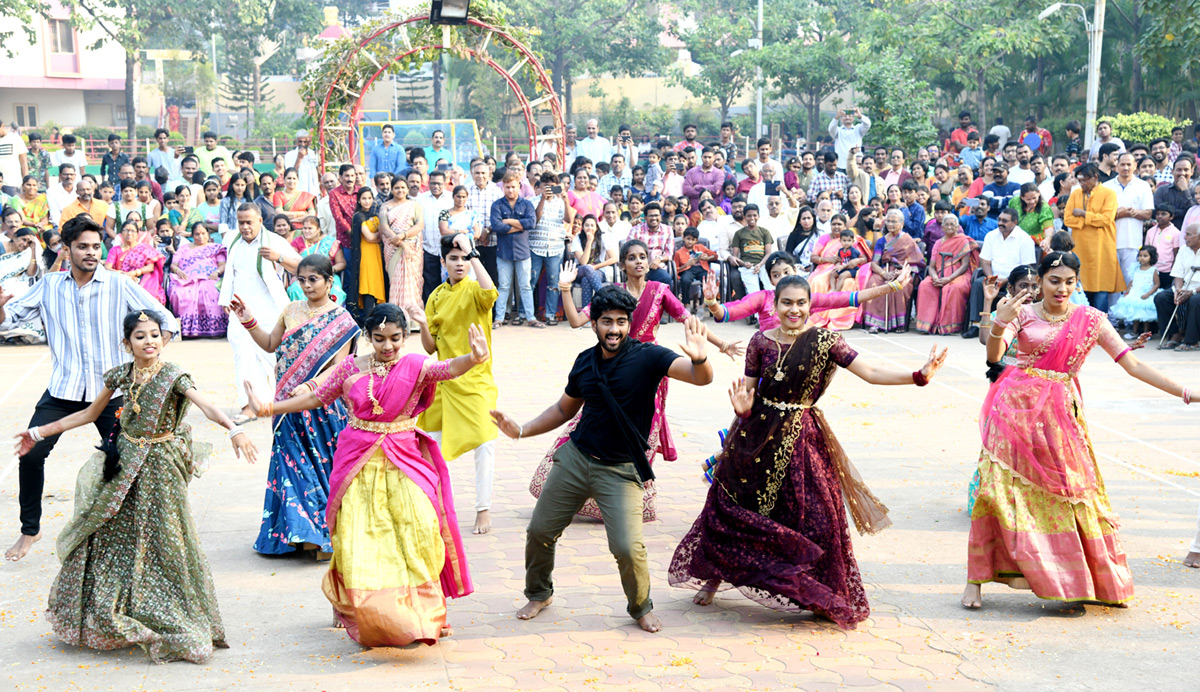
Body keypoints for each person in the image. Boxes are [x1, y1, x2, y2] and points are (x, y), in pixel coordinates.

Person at [670, 274, 947, 627]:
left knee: (818, 515)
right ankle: (715, 577)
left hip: (804, 435)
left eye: (802, 303)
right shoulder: (760, 341)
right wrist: (742, 411)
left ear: (810, 305)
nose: (795, 309)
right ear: (775, 305)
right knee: (735, 507)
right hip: (755, 433)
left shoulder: (825, 341)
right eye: (787, 303)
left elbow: (871, 371)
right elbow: (749, 393)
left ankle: (815, 589)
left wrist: (918, 376)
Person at [13, 309, 256, 661]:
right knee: (106, 531)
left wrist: (235, 429)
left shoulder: (174, 376)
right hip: (124, 462)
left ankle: (172, 612)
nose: (150, 341)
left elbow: (206, 405)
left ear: (164, 338)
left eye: (155, 334)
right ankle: (111, 609)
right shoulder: (121, 376)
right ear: (126, 344)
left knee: (166, 538)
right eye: (140, 337)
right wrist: (38, 432)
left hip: (161, 466)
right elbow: (88, 415)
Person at [963, 252, 1196, 610]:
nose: (1062, 288)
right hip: (1014, 411)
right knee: (996, 493)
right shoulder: (1022, 313)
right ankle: (974, 582)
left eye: (1070, 281)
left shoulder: (1091, 319)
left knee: (1070, 491)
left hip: (1061, 417)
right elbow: (995, 356)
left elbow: (1131, 365)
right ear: (1040, 280)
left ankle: (1075, 579)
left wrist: (1184, 392)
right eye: (1054, 280)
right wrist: (998, 323)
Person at [245, 304, 487, 646]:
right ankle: (359, 610)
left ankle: (425, 612)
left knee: (418, 532)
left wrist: (473, 359)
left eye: (395, 339)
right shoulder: (350, 368)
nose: (388, 347)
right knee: (358, 538)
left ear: (406, 336)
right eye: (379, 339)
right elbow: (316, 397)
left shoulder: (415, 366)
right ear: (368, 337)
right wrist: (270, 407)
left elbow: (447, 368)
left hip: (404, 459)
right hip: (358, 461)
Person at [491, 288, 714, 633]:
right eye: (606, 321)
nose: (614, 329)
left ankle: (640, 607)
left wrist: (701, 359)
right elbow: (563, 409)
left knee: (627, 547)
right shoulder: (584, 361)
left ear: (629, 324)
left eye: (621, 322)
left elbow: (701, 378)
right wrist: (520, 429)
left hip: (621, 470)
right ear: (593, 324)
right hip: (576, 460)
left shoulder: (649, 357)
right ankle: (539, 592)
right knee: (539, 530)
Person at [0, 217, 180, 562]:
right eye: (82, 246)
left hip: (110, 394)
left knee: (128, 463)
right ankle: (30, 530)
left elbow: (164, 319)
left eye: (96, 246)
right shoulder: (50, 285)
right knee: (31, 454)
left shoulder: (118, 284)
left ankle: (145, 535)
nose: (91, 253)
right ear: (65, 250)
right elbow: (9, 320)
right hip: (62, 390)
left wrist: (149, 367)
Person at [535, 243, 739, 523]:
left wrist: (722, 344)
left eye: (642, 257)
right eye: (631, 258)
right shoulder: (613, 295)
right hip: (612, 367)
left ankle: (633, 495)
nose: (638, 262)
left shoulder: (660, 291)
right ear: (623, 265)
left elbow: (690, 322)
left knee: (641, 432)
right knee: (600, 423)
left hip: (649, 369)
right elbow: (574, 321)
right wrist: (565, 289)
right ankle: (588, 491)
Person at [228, 255, 360, 557]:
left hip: (322, 406)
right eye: (302, 280)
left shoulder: (341, 320)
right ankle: (300, 532)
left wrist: (312, 384)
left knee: (320, 467)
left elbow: (340, 367)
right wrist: (248, 319)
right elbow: (271, 343)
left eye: (314, 279)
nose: (307, 285)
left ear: (329, 281)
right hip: (288, 404)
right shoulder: (290, 310)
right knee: (291, 466)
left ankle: (322, 533)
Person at [416, 234, 500, 535]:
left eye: (463, 259)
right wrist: (424, 325)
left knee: (485, 442)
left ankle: (483, 508)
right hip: (442, 381)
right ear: (443, 262)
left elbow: (491, 293)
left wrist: (473, 252)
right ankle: (434, 506)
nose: (459, 263)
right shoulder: (436, 296)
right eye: (453, 258)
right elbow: (429, 348)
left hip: (475, 380)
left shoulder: (477, 290)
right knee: (429, 446)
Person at [218, 203, 301, 424]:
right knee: (242, 356)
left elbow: (303, 266)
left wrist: (279, 257)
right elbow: (229, 272)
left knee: (272, 356)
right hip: (241, 310)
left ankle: (279, 401)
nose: (245, 227)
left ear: (260, 221)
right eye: (241, 222)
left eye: (249, 222)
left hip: (270, 309)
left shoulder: (274, 241)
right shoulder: (233, 242)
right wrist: (225, 299)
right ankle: (248, 406)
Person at [1064, 163, 1123, 310]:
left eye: (1084, 180)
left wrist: (1083, 214)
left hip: (1102, 247)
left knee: (1101, 288)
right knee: (1081, 286)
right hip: (1080, 247)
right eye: (1079, 181)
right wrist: (1092, 221)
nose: (1081, 184)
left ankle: (1099, 327)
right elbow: (1067, 219)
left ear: (1095, 177)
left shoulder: (1109, 194)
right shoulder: (1075, 194)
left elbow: (1106, 219)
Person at [862, 209, 925, 333]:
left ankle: (898, 324)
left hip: (902, 271)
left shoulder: (908, 240)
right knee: (873, 283)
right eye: (888, 221)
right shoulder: (881, 241)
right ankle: (875, 323)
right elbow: (874, 263)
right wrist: (884, 274)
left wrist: (901, 272)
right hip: (883, 270)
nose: (890, 224)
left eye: (894, 222)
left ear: (902, 224)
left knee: (899, 285)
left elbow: (919, 263)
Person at [490, 171, 537, 328]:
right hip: (503, 252)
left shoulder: (527, 204)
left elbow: (531, 223)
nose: (510, 190)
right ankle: (499, 318)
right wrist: (519, 226)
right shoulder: (497, 205)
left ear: (520, 187)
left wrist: (509, 221)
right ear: (503, 187)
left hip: (523, 252)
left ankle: (531, 317)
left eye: (513, 187)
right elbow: (497, 226)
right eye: (507, 187)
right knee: (503, 286)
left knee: (525, 286)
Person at [1103, 152, 1156, 292]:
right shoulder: (1106, 186)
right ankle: (1112, 313)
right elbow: (1101, 215)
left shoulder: (1143, 186)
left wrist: (1133, 212)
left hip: (1133, 241)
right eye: (1122, 164)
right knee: (1111, 280)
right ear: (1117, 166)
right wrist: (1117, 213)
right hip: (1109, 241)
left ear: (1135, 166)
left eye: (1129, 164)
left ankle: (1127, 312)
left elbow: (1148, 213)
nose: (1125, 168)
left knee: (1130, 279)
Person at [915, 215, 976, 334]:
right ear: (942, 227)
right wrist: (935, 277)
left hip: (959, 275)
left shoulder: (963, 241)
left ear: (958, 227)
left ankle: (950, 326)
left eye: (952, 224)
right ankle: (929, 324)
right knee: (925, 285)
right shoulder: (938, 243)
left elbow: (964, 266)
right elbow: (931, 266)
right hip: (939, 274)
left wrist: (949, 278)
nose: (949, 227)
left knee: (953, 288)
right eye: (946, 224)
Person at [806, 222, 873, 331]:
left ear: (852, 240)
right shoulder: (839, 249)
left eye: (839, 224)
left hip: (851, 270)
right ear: (841, 241)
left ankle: (836, 295)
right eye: (834, 224)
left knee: (845, 280)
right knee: (829, 276)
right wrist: (836, 266)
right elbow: (836, 260)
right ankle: (831, 290)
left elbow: (864, 258)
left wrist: (856, 261)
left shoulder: (854, 249)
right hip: (832, 268)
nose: (836, 227)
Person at [377, 175, 425, 322]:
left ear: (407, 189)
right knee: (396, 282)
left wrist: (404, 235)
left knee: (413, 283)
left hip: (413, 249)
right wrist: (401, 242)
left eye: (403, 187)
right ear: (392, 189)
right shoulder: (385, 206)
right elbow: (384, 228)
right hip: (394, 249)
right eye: (397, 187)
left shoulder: (414, 205)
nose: (400, 190)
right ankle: (396, 319)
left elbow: (419, 225)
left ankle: (414, 321)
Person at [168, 222, 227, 338]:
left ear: (208, 234)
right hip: (187, 278)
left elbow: (223, 264)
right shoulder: (184, 249)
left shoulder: (215, 248)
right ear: (192, 235)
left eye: (203, 233)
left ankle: (214, 328)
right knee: (178, 292)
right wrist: (178, 271)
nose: (200, 237)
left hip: (210, 277)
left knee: (213, 291)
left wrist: (217, 272)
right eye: (197, 234)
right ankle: (187, 330)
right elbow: (173, 265)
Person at [1154, 223, 1200, 351]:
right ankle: (1174, 335)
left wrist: (1192, 291)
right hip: (1185, 285)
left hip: (1197, 289)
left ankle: (1192, 341)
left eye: (1189, 235)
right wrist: (1178, 290)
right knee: (1161, 297)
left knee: (1195, 300)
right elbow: (1178, 274)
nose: (1184, 237)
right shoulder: (1184, 249)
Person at [343, 187, 387, 320]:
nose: (367, 201)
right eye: (364, 198)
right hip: (366, 255)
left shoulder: (375, 215)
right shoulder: (358, 216)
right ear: (359, 200)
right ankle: (368, 321)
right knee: (369, 285)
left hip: (376, 254)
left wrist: (380, 235)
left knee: (376, 282)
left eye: (369, 198)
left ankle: (377, 320)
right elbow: (370, 237)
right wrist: (381, 235)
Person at [107, 219, 166, 305]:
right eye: (126, 230)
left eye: (132, 231)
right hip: (121, 279)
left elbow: (150, 267)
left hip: (141, 278)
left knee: (150, 295)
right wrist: (123, 274)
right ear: (121, 233)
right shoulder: (115, 250)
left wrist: (134, 273)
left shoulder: (144, 247)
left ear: (137, 233)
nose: (129, 233)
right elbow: (107, 268)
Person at [1109, 246, 1161, 338]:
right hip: (1135, 293)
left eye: (1145, 256)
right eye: (1140, 255)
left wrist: (1148, 294)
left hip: (1146, 294)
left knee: (1145, 316)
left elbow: (1156, 284)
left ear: (1151, 257)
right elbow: (1132, 282)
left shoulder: (1153, 270)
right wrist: (1127, 291)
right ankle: (1134, 332)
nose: (1142, 258)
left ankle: (1145, 333)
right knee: (1135, 314)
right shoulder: (1136, 269)